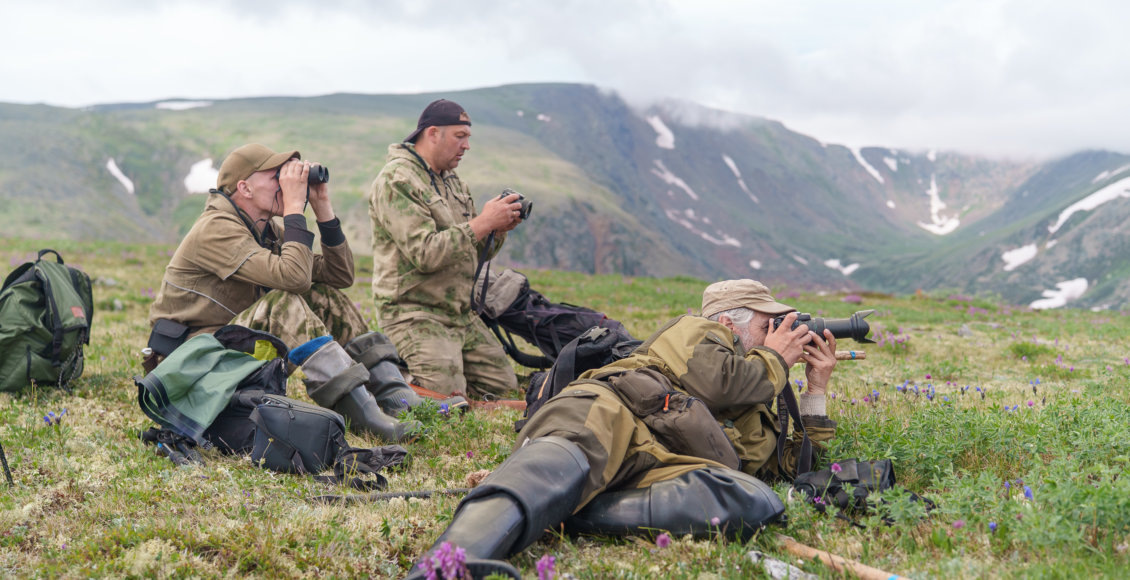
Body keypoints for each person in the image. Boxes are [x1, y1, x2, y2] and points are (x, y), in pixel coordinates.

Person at [406, 279, 840, 579]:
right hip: (609, 412)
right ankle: (443, 567)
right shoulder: (701, 333)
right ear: (729, 323)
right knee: (557, 463)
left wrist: (816, 389)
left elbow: (791, 468)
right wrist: (778, 359)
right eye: (769, 326)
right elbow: (720, 384)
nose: (779, 336)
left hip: (661, 462)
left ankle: (568, 510)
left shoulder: (760, 389)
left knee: (753, 501)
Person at [147, 143, 431, 443]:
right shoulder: (216, 228)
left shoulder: (263, 229)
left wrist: (322, 208)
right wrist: (295, 208)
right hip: (190, 365)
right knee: (282, 303)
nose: (285, 184)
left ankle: (394, 396)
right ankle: (364, 417)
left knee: (324, 295)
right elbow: (293, 278)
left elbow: (339, 276)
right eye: (275, 177)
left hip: (224, 348)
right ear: (244, 187)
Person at [369, 99, 525, 399]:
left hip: (457, 312)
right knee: (442, 394)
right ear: (432, 133)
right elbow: (426, 254)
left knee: (503, 387)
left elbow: (470, 253)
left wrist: (497, 230)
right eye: (459, 136)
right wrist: (482, 223)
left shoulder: (452, 181)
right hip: (414, 312)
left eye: (468, 138)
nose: (466, 146)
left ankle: (449, 379)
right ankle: (388, 377)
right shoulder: (397, 180)